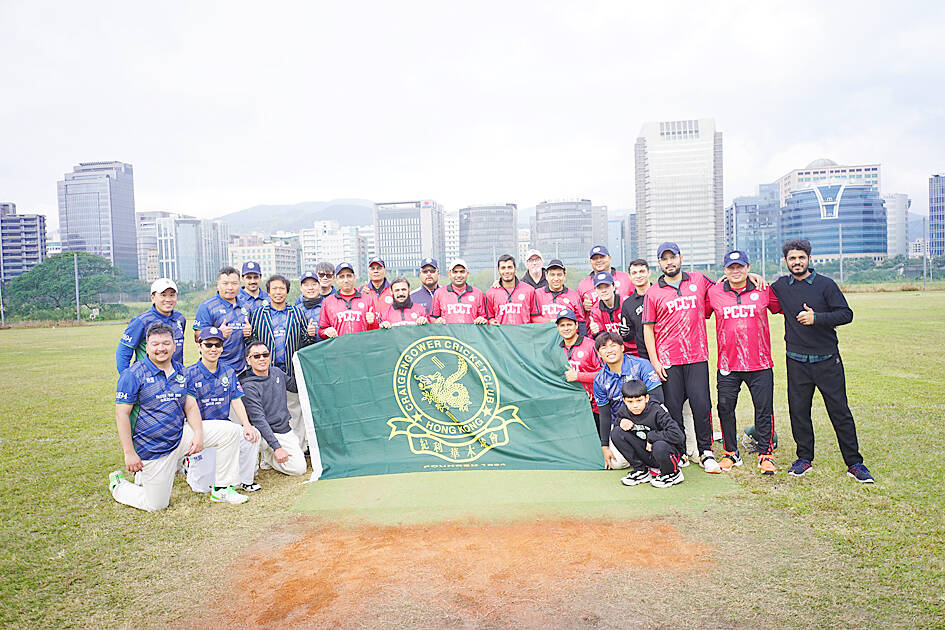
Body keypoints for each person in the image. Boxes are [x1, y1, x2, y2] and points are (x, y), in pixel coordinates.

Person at [109, 323, 248, 510]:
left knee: (230, 431)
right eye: (155, 344)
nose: (161, 348)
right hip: (154, 447)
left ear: (174, 346)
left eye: (166, 343)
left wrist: (198, 434)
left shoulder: (182, 371)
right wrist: (129, 453)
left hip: (180, 436)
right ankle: (119, 485)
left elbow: (190, 406)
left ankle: (222, 488)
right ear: (147, 347)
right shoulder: (133, 375)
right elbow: (122, 414)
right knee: (156, 504)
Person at [770, 238, 874, 482]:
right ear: (785, 261)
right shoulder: (781, 286)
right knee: (799, 412)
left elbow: (846, 314)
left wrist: (817, 318)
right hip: (796, 361)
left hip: (827, 360)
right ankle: (804, 458)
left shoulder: (826, 284)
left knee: (839, 412)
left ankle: (854, 463)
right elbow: (759, 290)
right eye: (792, 258)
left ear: (809, 258)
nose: (797, 262)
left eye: (801, 257)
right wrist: (752, 277)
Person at [642, 242, 721, 473]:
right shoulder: (653, 292)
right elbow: (648, 328)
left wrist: (752, 277)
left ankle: (706, 451)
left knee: (701, 405)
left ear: (681, 258)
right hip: (668, 360)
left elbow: (724, 288)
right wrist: (655, 361)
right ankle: (681, 450)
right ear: (659, 263)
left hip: (696, 356)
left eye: (673, 257)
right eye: (664, 259)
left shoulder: (699, 280)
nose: (670, 262)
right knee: (673, 408)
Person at [706, 250, 781, 475]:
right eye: (731, 267)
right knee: (725, 408)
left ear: (748, 267)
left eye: (740, 266)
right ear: (724, 270)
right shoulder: (715, 292)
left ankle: (765, 454)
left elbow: (782, 307)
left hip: (760, 362)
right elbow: (701, 312)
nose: (735, 271)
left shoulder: (763, 289)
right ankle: (730, 452)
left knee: (764, 408)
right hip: (728, 364)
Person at [184, 327, 263, 494]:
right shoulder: (189, 373)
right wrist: (197, 433)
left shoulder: (228, 371)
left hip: (225, 428)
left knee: (252, 436)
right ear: (199, 347)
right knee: (203, 488)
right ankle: (189, 465)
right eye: (208, 345)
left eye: (217, 345)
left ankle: (245, 481)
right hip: (201, 429)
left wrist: (246, 425)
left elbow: (236, 399)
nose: (213, 349)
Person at [248, 275, 311, 451]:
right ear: (268, 292)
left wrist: (311, 334)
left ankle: (298, 448)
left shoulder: (297, 313)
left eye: (281, 288)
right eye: (274, 288)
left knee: (295, 412)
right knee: (268, 413)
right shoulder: (258, 314)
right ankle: (270, 451)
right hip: (265, 374)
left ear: (287, 291)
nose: (278, 292)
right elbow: (252, 342)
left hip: (290, 371)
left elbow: (305, 341)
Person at [592, 332, 663, 470]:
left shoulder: (641, 365)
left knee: (662, 413)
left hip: (648, 417)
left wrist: (637, 419)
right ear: (599, 353)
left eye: (613, 346)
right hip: (622, 424)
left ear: (622, 347)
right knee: (616, 463)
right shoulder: (599, 380)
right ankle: (640, 459)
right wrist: (605, 446)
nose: (609, 350)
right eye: (604, 348)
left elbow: (658, 398)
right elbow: (605, 415)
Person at [239, 341, 307, 476]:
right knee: (248, 438)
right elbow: (258, 420)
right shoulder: (248, 386)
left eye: (265, 355)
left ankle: (269, 457)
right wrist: (277, 447)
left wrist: (306, 367)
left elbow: (294, 386)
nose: (262, 359)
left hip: (282, 429)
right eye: (256, 356)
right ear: (248, 360)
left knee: (299, 469)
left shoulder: (276, 372)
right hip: (260, 432)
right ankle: (265, 452)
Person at [610, 380, 686, 488]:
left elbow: (678, 436)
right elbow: (618, 424)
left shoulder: (657, 411)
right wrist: (620, 421)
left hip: (666, 453)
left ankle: (672, 473)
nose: (635, 405)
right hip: (646, 453)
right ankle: (641, 470)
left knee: (659, 445)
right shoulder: (624, 411)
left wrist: (652, 437)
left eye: (639, 400)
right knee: (616, 432)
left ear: (647, 398)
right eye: (630, 402)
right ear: (624, 401)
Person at [117, 278, 186, 373]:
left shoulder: (180, 318)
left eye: (172, 295)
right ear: (152, 297)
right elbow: (124, 351)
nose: (168, 299)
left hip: (174, 375)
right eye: (163, 295)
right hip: (147, 376)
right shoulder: (141, 321)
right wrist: (126, 377)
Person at [194, 266, 253, 374]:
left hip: (242, 368)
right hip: (215, 368)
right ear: (218, 284)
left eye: (234, 283)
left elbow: (251, 340)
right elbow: (198, 337)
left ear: (240, 284)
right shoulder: (207, 307)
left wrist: (249, 334)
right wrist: (218, 333)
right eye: (225, 283)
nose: (230, 287)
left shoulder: (246, 307)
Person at [557, 309, 600, 430]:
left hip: (594, 406)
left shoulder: (591, 345)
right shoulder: (556, 349)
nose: (566, 328)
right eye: (562, 325)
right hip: (568, 405)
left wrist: (578, 376)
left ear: (576, 325)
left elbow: (604, 374)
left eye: (569, 324)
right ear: (558, 328)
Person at [318, 262, 378, 337]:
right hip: (339, 344)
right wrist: (326, 332)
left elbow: (376, 331)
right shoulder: (328, 301)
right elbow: (321, 331)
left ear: (354, 278)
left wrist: (372, 323)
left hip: (362, 343)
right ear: (336, 279)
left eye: (349, 276)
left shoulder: (367, 299)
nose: (346, 280)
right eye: (342, 277)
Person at [532, 259, 587, 334]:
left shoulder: (574, 296)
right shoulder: (537, 294)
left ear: (564, 275)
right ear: (546, 275)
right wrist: (551, 322)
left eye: (559, 275)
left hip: (567, 338)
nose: (556, 279)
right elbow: (533, 317)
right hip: (544, 337)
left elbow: (581, 322)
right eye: (552, 275)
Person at [577, 245, 632, 318]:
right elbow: (578, 313)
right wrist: (583, 308)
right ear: (590, 261)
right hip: (596, 324)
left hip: (625, 323)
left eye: (602, 257)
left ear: (609, 258)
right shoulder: (583, 285)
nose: (599, 260)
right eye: (595, 258)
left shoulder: (626, 278)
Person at [485, 254, 539, 325]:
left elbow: (535, 316)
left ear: (515, 268)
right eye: (503, 268)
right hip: (501, 332)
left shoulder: (529, 290)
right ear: (498, 270)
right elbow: (488, 317)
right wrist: (490, 321)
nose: (507, 271)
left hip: (523, 332)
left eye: (510, 267)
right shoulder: (490, 293)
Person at [430, 259, 488, 324]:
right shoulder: (439, 293)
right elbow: (432, 318)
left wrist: (482, 320)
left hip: (470, 331)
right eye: (455, 272)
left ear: (467, 273)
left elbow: (485, 317)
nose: (459, 275)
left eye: (462, 272)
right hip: (447, 331)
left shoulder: (478, 293)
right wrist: (436, 321)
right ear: (449, 274)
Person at [587, 272, 630, 353]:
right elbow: (601, 339)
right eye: (600, 288)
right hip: (612, 352)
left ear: (613, 287)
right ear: (595, 290)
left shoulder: (627, 302)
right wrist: (595, 333)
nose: (604, 291)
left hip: (632, 350)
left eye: (607, 286)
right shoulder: (595, 310)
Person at [619, 259, 652, 358]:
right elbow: (629, 337)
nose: (638, 276)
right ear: (629, 276)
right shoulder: (628, 304)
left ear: (649, 273)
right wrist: (624, 333)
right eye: (634, 273)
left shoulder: (660, 294)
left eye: (642, 271)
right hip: (644, 355)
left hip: (666, 351)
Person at [296, 263, 336, 345]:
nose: (310, 288)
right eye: (306, 285)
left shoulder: (328, 305)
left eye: (314, 284)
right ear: (301, 288)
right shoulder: (296, 310)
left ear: (319, 286)